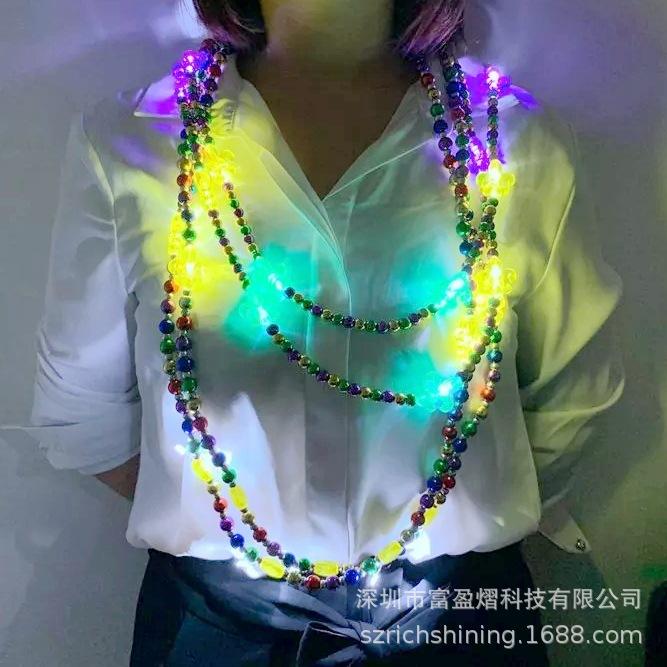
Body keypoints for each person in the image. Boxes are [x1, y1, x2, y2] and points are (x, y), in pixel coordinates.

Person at [29, 0, 624, 664]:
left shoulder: (513, 141)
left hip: (458, 623)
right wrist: (228, 521)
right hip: (213, 629)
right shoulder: (131, 142)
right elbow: (80, 416)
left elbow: (574, 400)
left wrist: (442, 516)